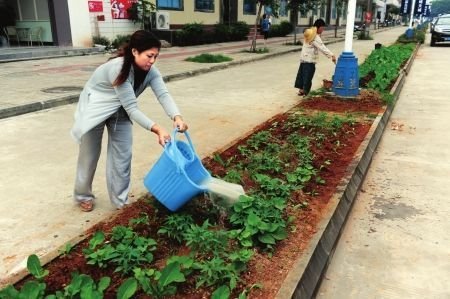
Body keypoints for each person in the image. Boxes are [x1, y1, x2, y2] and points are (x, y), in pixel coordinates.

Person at [71, 30, 188, 212]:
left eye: (155, 56)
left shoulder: (151, 71)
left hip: (120, 110)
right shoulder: (118, 68)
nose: (152, 61)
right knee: (90, 154)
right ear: (135, 51)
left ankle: (120, 202)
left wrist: (177, 117)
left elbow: (163, 94)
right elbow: (133, 108)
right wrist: (157, 129)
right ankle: (83, 195)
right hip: (96, 107)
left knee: (123, 156)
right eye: (149, 56)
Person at [294, 19, 336, 96]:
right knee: (308, 76)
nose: (322, 30)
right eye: (322, 28)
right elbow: (322, 47)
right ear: (319, 27)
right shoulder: (315, 36)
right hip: (309, 60)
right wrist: (332, 55)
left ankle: (301, 90)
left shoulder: (310, 32)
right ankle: (305, 93)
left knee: (302, 75)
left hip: (304, 59)